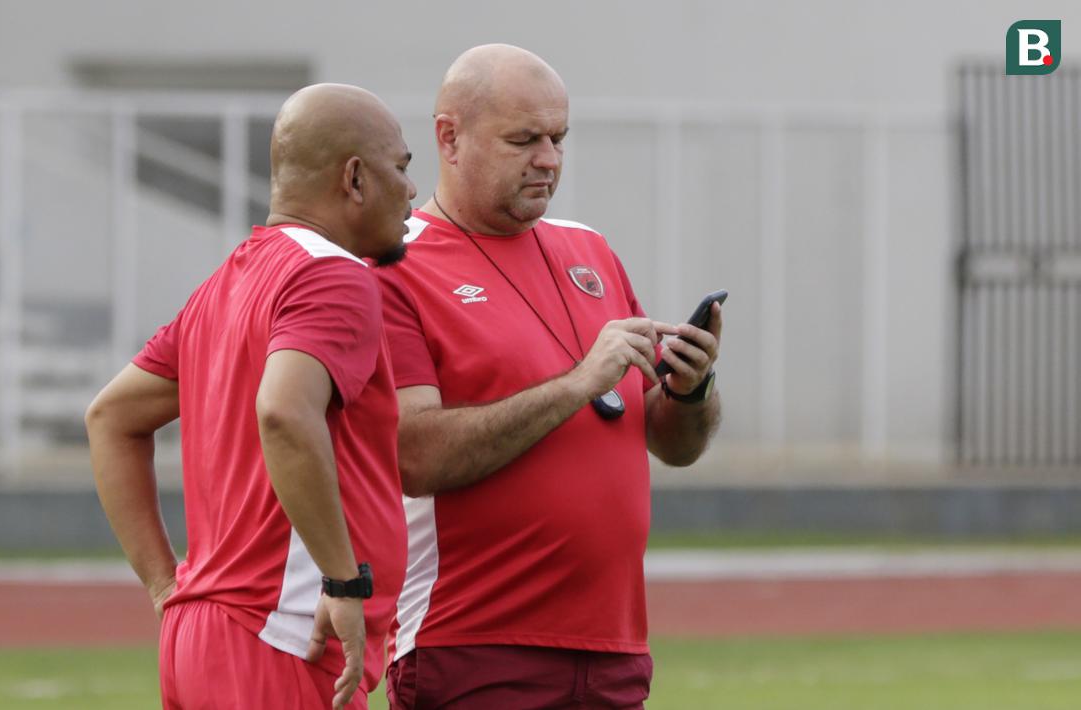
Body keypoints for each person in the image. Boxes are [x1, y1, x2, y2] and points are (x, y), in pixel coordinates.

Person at [378, 45, 723, 708]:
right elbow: (412, 456)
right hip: (472, 644)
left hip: (614, 646)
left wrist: (690, 389)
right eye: (523, 140)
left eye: (559, 139)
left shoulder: (587, 248)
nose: (548, 159)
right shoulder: (396, 267)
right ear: (449, 138)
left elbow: (672, 445)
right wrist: (577, 384)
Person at [85, 83, 417, 710]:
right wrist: (344, 582)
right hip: (282, 635)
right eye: (400, 168)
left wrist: (164, 586)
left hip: (202, 632)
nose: (411, 190)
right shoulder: (334, 274)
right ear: (354, 178)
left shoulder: (227, 283)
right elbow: (284, 412)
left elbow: (110, 417)